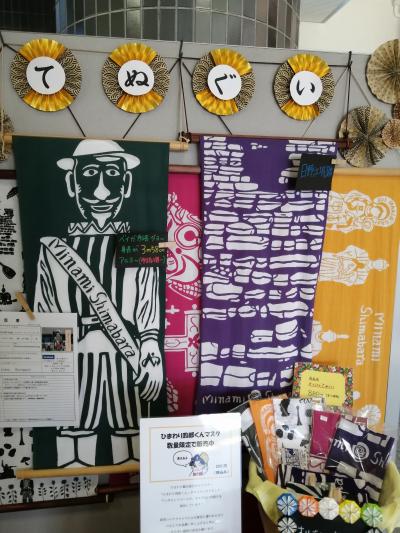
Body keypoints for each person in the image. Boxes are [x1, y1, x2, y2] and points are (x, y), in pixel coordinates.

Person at [34, 139, 163, 466]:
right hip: (75, 354)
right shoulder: (54, 249)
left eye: (112, 174)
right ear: (72, 183)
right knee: (73, 438)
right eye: (90, 174)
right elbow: (48, 314)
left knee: (131, 434)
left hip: (128, 354)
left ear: (127, 182)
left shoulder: (141, 242)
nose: (102, 191)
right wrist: (56, 368)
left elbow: (149, 301)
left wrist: (150, 346)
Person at [319, 245, 389, 286]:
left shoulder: (362, 278)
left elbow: (348, 282)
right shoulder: (364, 254)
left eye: (381, 266)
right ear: (378, 259)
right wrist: (352, 258)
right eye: (381, 262)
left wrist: (350, 272)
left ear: (379, 269)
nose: (379, 264)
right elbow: (351, 248)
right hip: (334, 260)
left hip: (332, 273)